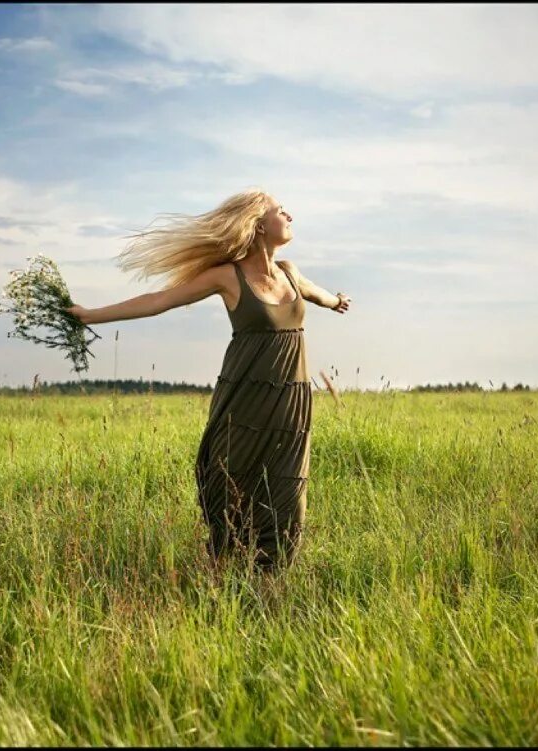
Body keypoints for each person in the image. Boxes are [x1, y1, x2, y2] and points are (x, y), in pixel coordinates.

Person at [65, 189, 351, 570]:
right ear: (259, 224)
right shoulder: (227, 276)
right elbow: (158, 300)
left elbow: (318, 296)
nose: (291, 216)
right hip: (244, 397)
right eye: (282, 211)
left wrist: (336, 301)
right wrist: (90, 315)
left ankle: (271, 575)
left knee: (287, 486)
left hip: (291, 403)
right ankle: (224, 565)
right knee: (230, 479)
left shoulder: (289, 272)